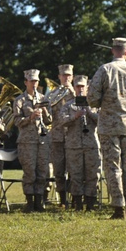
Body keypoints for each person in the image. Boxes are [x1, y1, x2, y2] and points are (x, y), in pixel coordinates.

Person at [88, 37, 126, 220]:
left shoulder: (104, 69)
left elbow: (92, 98)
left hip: (109, 126)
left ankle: (119, 208)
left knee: (113, 167)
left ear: (113, 50)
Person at [59, 75, 101, 210]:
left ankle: (90, 204)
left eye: (83, 86)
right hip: (74, 146)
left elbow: (102, 120)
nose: (80, 89)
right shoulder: (68, 105)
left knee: (92, 174)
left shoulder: (95, 105)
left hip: (91, 145)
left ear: (87, 88)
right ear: (74, 88)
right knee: (75, 175)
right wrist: (74, 116)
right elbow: (62, 121)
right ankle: (77, 204)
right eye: (78, 86)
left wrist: (89, 111)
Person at [13, 69, 52, 212]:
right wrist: (30, 118)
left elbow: (50, 121)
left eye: (36, 81)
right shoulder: (20, 100)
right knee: (30, 172)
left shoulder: (44, 99)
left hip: (42, 141)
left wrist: (45, 112)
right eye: (31, 81)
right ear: (26, 82)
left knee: (42, 171)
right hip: (27, 142)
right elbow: (16, 121)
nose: (34, 84)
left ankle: (39, 201)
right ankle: (29, 202)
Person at [47, 64, 75, 208]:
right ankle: (63, 199)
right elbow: (47, 116)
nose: (66, 78)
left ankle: (74, 198)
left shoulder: (77, 92)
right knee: (59, 169)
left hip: (73, 136)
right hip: (57, 136)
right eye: (63, 75)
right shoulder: (53, 94)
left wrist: (73, 92)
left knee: (73, 169)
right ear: (59, 77)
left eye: (69, 75)